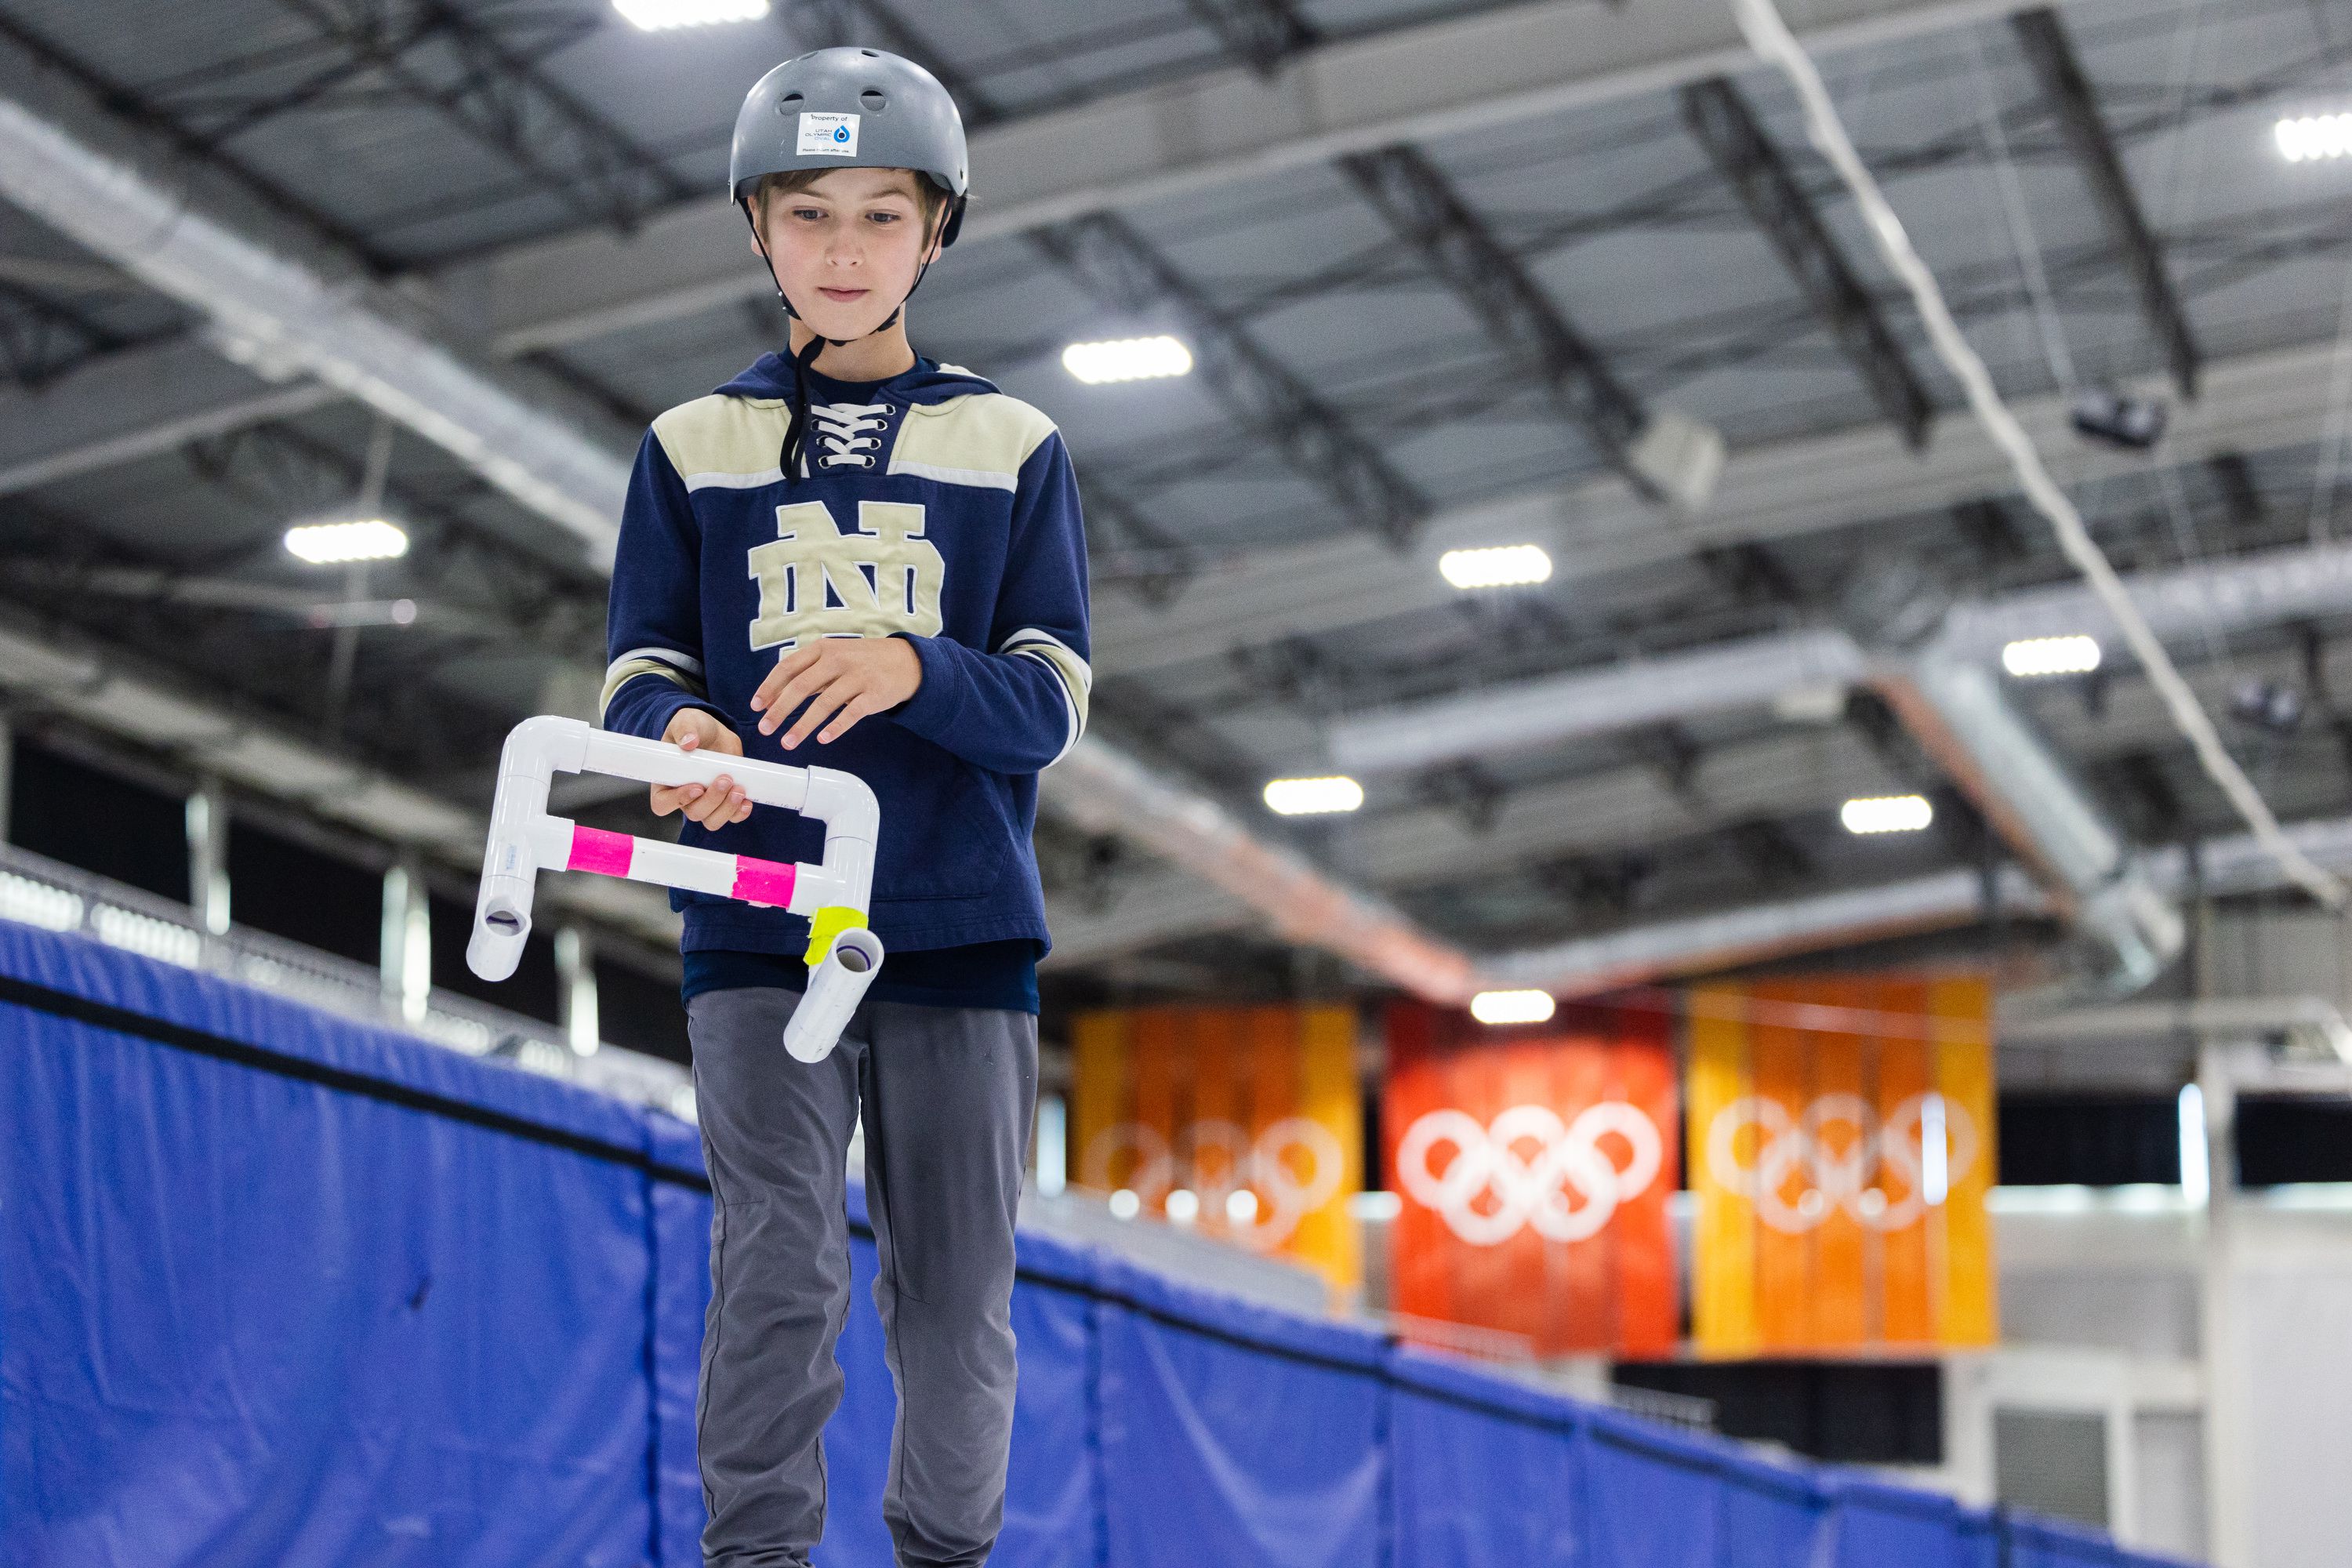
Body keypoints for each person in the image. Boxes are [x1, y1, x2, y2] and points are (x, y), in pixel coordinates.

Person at [598, 45, 1091, 1568]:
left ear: (936, 234)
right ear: (757, 227)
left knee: (951, 1291)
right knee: (779, 1266)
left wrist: (910, 670)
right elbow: (638, 667)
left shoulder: (1013, 448)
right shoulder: (691, 448)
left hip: (957, 929)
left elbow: (1049, 704)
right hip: (755, 924)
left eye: (883, 217)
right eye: (809, 214)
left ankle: (945, 1555)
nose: (844, 251)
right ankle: (757, 1556)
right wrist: (671, 725)